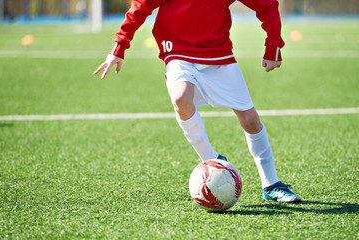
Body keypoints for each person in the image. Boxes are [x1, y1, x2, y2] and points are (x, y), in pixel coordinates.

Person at [94, 0, 301, 203]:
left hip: (217, 53)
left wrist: (273, 44)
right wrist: (120, 46)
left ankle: (271, 184)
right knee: (181, 97)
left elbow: (267, 5)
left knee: (250, 118)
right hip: (178, 50)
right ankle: (212, 160)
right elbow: (141, 6)